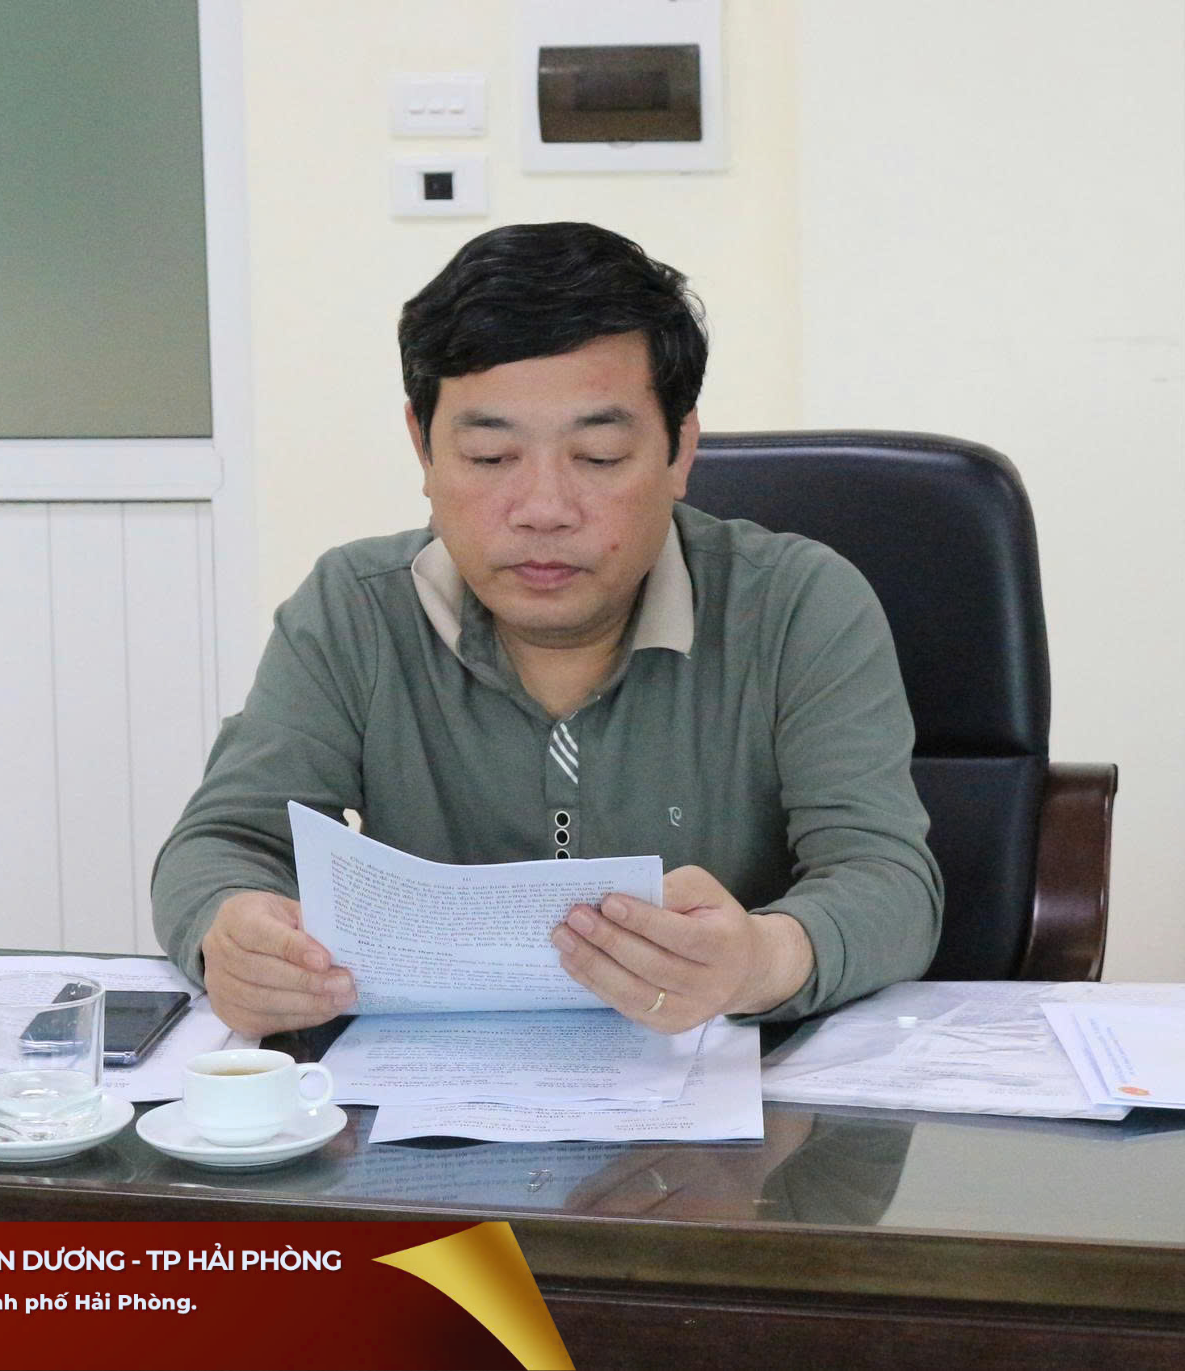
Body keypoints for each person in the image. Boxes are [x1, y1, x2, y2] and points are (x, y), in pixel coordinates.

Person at [150, 222, 940, 1037]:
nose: (544, 510)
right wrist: (231, 932)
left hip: (726, 1082)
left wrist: (762, 960)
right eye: (490, 457)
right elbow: (223, 842)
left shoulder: (798, 606)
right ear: (424, 448)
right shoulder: (354, 609)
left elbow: (887, 878)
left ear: (679, 451)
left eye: (598, 455)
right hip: (425, 1094)